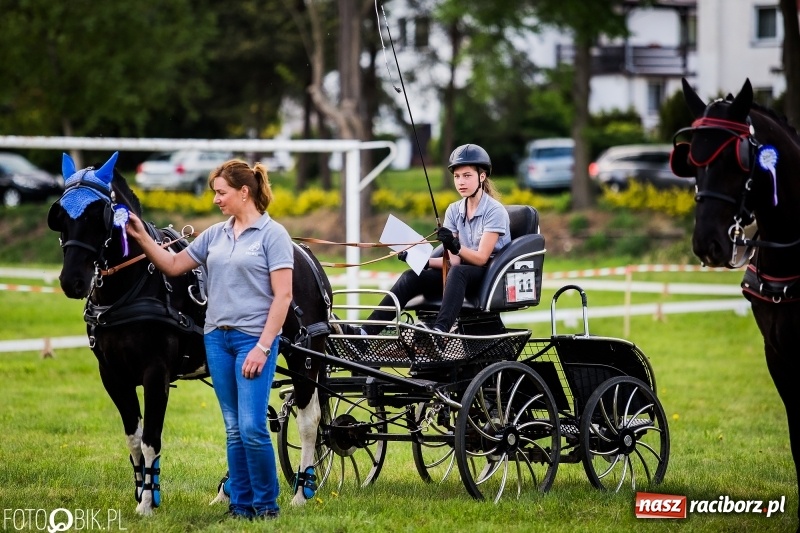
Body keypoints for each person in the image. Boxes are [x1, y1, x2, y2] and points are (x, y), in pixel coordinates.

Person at [125, 159, 291, 521]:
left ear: (243, 192)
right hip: (217, 339)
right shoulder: (215, 234)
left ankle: (266, 506)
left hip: (253, 341)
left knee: (251, 426)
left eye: (221, 192)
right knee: (233, 429)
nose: (216, 199)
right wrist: (141, 237)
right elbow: (172, 265)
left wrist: (263, 348)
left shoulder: (272, 235)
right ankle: (240, 506)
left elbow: (283, 297)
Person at [359, 143, 510, 341]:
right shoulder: (454, 210)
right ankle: (364, 334)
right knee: (411, 277)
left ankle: (440, 331)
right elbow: (453, 262)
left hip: (488, 275)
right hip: (459, 275)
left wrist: (455, 246)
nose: (461, 182)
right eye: (457, 176)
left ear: (482, 177)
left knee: (459, 272)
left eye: (467, 175)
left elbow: (481, 259)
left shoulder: (494, 211)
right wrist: (416, 258)